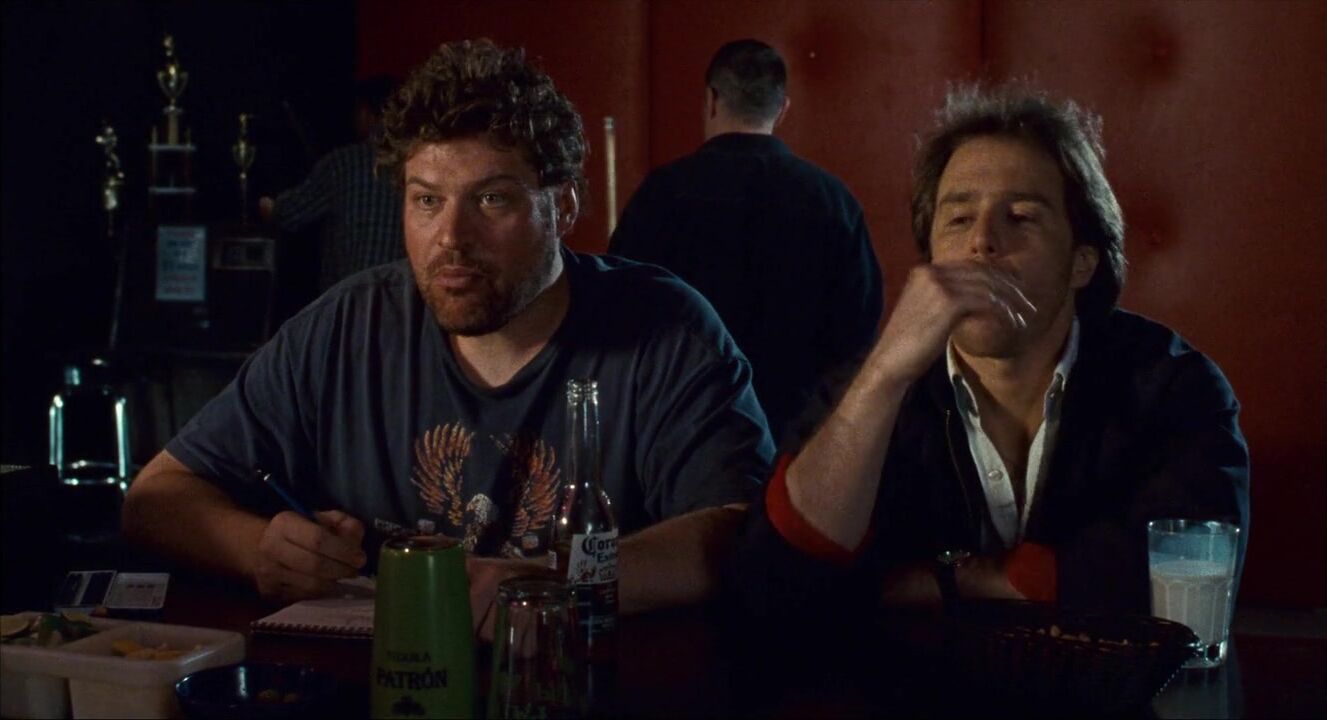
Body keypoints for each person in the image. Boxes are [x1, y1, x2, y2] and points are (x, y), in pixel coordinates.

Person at [123, 40, 774, 636]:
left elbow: (737, 532)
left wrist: (561, 581)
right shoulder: (346, 326)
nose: (451, 239)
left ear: (562, 207)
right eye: (427, 201)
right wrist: (259, 550)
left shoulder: (666, 330)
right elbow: (154, 498)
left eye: (491, 200)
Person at [732, 85, 1249, 618]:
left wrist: (957, 579)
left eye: (1021, 217)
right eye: (958, 219)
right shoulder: (867, 389)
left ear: (1081, 263)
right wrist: (885, 376)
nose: (982, 241)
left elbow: (1185, 578)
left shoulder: (1172, 386)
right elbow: (775, 580)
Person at [608, 39, 882, 445]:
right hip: (800, 439)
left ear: (711, 100)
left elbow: (620, 311)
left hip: (682, 433)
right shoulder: (833, 201)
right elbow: (859, 334)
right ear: (782, 108)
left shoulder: (661, 195)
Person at [259, 76, 405, 291]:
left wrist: (268, 206)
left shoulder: (342, 163)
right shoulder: (414, 165)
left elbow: (289, 213)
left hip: (347, 297)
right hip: (401, 297)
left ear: (365, 113)